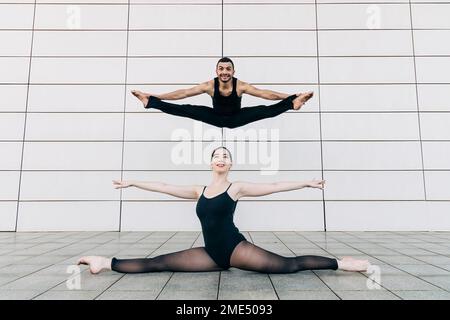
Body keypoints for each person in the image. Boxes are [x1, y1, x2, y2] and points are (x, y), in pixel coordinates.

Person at [77, 147, 370, 274]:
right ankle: (104, 262)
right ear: (210, 163)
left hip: (235, 249)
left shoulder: (236, 188)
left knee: (288, 266)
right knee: (158, 263)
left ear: (230, 165)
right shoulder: (198, 191)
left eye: (225, 156)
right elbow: (164, 186)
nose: (221, 158)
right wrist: (132, 183)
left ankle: (340, 263)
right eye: (216, 156)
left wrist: (305, 183)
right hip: (210, 254)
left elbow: (276, 185)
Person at [131, 57, 314, 128]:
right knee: (186, 109)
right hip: (215, 117)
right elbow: (183, 93)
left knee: (263, 110)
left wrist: (291, 96)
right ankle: (150, 103)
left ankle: (293, 104)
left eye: (228, 69)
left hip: (237, 118)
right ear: (216, 71)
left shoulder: (240, 85)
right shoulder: (209, 85)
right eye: (221, 69)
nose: (224, 72)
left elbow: (266, 94)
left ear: (233, 72)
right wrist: (155, 96)